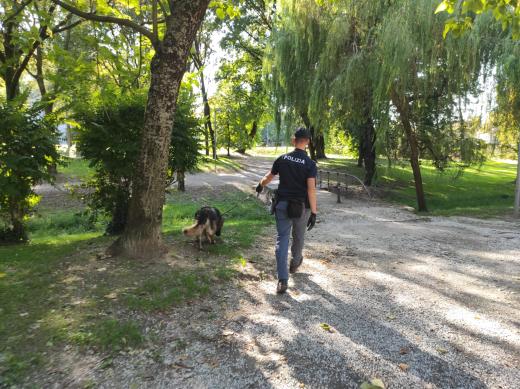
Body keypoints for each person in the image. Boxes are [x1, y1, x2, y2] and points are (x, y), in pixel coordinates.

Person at [256, 128, 318, 294]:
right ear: (307, 142)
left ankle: (282, 279)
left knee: (282, 238)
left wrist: (260, 184)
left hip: (282, 205)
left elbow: (269, 177)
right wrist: (314, 212)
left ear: (293, 140)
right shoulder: (310, 164)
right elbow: (311, 189)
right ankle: (295, 263)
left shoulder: (282, 159)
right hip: (302, 207)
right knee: (299, 236)